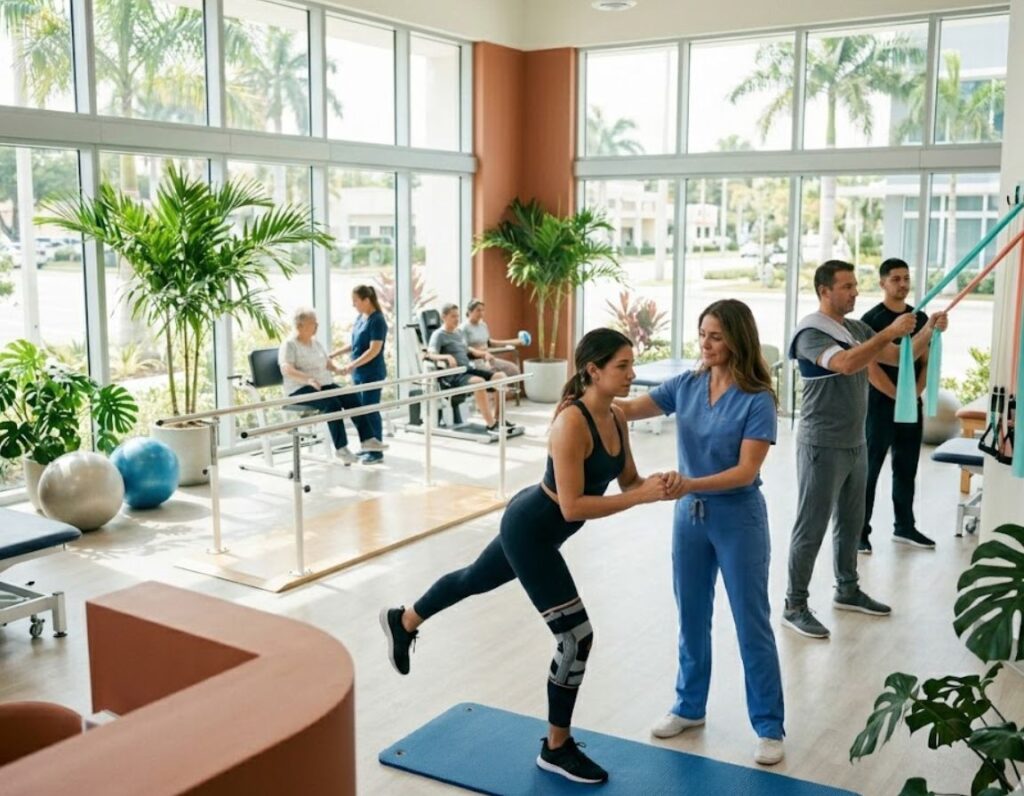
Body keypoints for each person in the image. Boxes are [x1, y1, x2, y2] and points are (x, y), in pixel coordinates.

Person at [379, 328, 679, 785]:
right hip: (530, 531)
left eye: (630, 364)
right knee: (576, 638)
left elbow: (629, 481)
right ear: (592, 370)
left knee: (472, 579)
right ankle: (556, 749)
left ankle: (403, 620)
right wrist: (637, 500)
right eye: (622, 366)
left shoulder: (616, 418)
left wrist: (657, 487)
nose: (631, 374)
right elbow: (573, 506)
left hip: (541, 528)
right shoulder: (571, 423)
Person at [615, 299, 786, 767]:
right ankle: (689, 707)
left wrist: (687, 483)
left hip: (738, 520)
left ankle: (769, 726)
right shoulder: (688, 386)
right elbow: (628, 410)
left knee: (752, 624)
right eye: (702, 334)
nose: (705, 344)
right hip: (689, 520)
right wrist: (587, 396)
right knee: (691, 616)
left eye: (715, 336)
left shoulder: (757, 399)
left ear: (737, 339)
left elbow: (745, 471)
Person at [783, 261, 947, 640]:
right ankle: (794, 605)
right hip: (821, 444)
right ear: (824, 291)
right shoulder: (810, 332)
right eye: (846, 287)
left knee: (852, 522)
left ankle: (847, 588)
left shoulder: (856, 328)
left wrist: (928, 331)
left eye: (856, 285)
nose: (854, 292)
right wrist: (887, 332)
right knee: (812, 527)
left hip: (854, 441)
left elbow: (894, 356)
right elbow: (845, 363)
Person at [859, 258, 935, 553]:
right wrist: (897, 395)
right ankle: (859, 532)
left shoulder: (919, 317)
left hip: (910, 404)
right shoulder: (870, 320)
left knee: (906, 466)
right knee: (869, 469)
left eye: (906, 278)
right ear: (882, 283)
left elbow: (925, 359)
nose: (903, 284)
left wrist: (914, 393)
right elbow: (870, 367)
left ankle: (904, 526)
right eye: (896, 279)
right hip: (879, 405)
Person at [277, 307, 374, 466]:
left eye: (317, 323)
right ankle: (341, 449)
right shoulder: (289, 344)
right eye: (313, 323)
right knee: (332, 404)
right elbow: (286, 369)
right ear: (300, 326)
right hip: (298, 390)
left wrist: (337, 369)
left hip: (321, 385)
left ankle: (367, 439)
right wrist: (308, 379)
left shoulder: (315, 343)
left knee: (350, 395)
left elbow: (326, 362)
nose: (317, 326)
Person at [427, 302, 510, 431]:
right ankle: (491, 424)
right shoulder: (438, 335)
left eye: (458, 316)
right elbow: (430, 355)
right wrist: (447, 357)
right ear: (444, 317)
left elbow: (467, 350)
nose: (457, 319)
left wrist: (483, 354)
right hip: (453, 375)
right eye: (453, 316)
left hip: (467, 370)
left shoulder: (458, 333)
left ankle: (499, 419)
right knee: (479, 382)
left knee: (501, 377)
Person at [332, 285, 389, 465]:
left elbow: (374, 350)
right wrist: (334, 354)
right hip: (359, 373)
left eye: (356, 301)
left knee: (370, 410)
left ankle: (376, 452)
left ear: (366, 300)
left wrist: (351, 365)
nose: (353, 304)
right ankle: (367, 446)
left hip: (372, 372)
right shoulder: (360, 317)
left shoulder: (377, 320)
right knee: (360, 411)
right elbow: (354, 345)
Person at [460, 298, 525, 378]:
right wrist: (483, 354)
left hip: (488, 358)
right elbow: (466, 348)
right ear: (470, 312)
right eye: (478, 310)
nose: (481, 313)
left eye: (483, 310)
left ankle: (506, 390)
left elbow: (489, 342)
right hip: (475, 361)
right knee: (496, 374)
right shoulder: (464, 328)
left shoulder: (483, 325)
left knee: (514, 370)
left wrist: (515, 341)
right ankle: (498, 389)